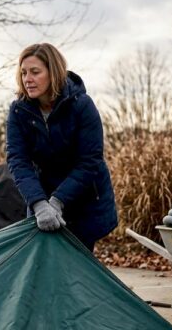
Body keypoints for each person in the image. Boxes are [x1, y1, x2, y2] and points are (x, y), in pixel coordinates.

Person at [6, 43, 118, 252]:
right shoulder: (18, 111)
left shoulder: (82, 105)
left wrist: (58, 202)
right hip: (42, 198)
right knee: (41, 262)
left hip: (83, 197)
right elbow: (17, 160)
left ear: (53, 72)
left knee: (77, 266)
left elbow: (89, 161)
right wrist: (40, 204)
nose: (27, 79)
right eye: (23, 73)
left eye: (35, 72)